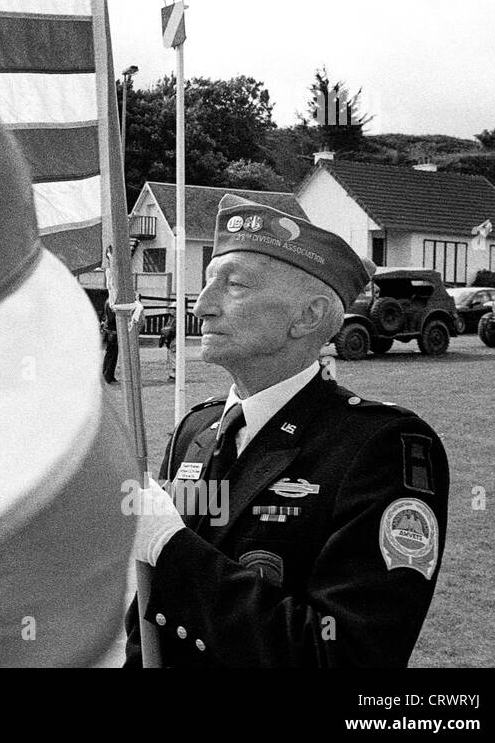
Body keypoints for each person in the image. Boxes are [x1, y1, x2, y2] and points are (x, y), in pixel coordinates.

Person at [124, 194, 448, 667]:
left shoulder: (379, 448)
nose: (203, 307)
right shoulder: (199, 427)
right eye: (207, 283)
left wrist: (170, 549)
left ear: (308, 316)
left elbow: (341, 655)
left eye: (234, 286)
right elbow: (152, 619)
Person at [158, 312, 177, 382]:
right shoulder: (172, 319)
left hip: (174, 340)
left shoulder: (176, 320)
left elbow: (170, 330)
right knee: (171, 356)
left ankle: (174, 374)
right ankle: (173, 373)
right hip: (171, 340)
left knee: (173, 356)